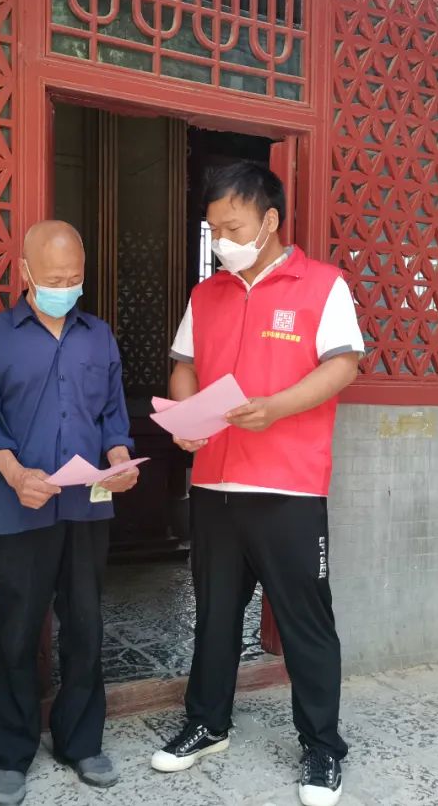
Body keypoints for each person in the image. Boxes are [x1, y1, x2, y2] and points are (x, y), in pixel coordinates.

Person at [149, 162, 363, 806]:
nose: (221, 240)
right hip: (215, 484)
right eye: (213, 229)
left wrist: (276, 408)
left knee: (305, 621)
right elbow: (183, 364)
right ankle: (207, 723)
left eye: (233, 227)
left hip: (289, 488)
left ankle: (322, 747)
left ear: (270, 221)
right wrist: (187, 419)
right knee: (214, 616)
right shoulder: (207, 295)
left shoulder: (322, 285)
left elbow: (343, 366)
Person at [0, 220, 139, 806]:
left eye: (74, 278)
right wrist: (18, 476)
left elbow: (112, 420)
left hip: (87, 506)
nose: (66, 288)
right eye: (54, 279)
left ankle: (80, 741)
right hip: (21, 507)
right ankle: (9, 753)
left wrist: (120, 461)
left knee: (86, 625)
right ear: (25, 273)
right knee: (16, 630)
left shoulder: (99, 337)